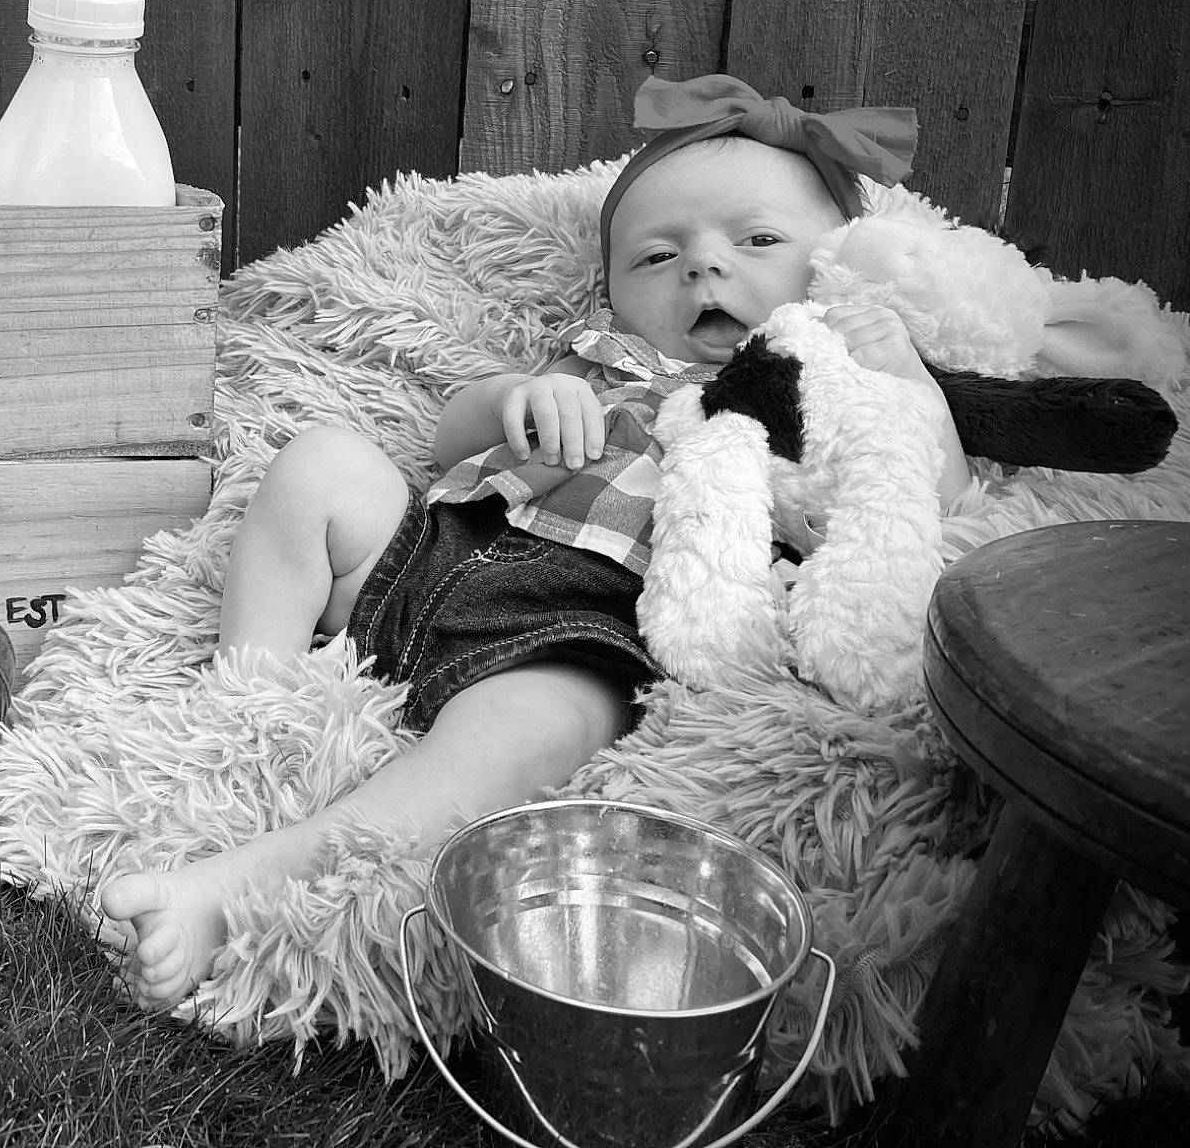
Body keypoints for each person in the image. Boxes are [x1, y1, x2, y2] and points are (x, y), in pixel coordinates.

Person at [97, 74, 970, 1010]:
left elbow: (928, 488)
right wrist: (515, 401)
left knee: (526, 737)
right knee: (318, 464)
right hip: (434, 554)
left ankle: (238, 886)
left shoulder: (829, 383)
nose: (703, 268)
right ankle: (247, 706)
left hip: (582, 630)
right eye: (657, 255)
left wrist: (906, 375)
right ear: (610, 290)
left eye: (757, 242)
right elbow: (444, 439)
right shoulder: (595, 350)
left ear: (833, 269)